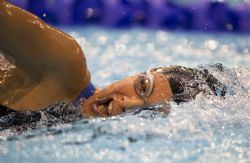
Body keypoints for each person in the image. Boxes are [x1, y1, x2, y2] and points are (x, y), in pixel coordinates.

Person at [0, 0, 226, 118]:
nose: (128, 105)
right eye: (142, 86)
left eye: (147, 113)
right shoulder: (64, 65)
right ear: (137, 73)